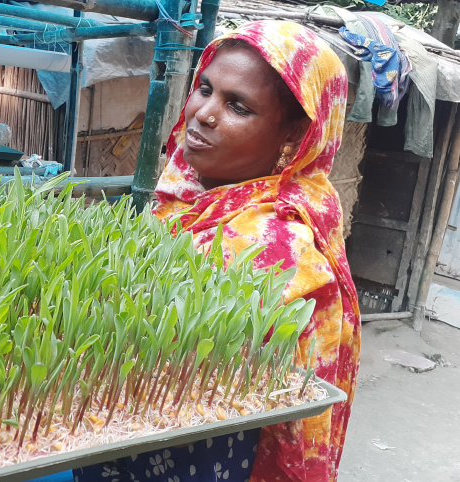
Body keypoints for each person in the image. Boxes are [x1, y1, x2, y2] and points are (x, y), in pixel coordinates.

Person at [74, 20, 360, 482]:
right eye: (204, 88)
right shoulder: (185, 196)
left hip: (201, 456)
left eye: (238, 106)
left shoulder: (278, 243)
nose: (203, 113)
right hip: (113, 428)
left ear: (295, 134)